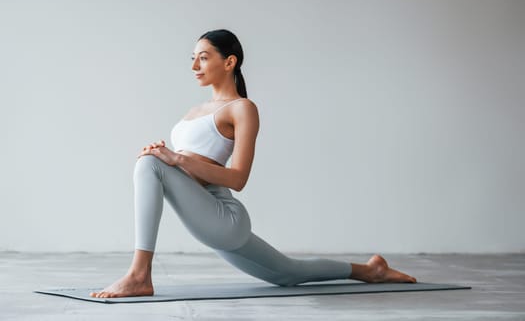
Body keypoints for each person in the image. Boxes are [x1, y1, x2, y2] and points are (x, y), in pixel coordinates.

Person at [90, 29, 416, 298]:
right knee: (289, 272)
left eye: (203, 58)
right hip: (208, 213)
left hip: (225, 217)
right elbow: (190, 170)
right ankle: (370, 270)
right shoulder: (195, 110)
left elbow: (238, 178)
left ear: (229, 61)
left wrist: (174, 159)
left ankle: (139, 275)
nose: (195, 67)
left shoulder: (242, 108)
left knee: (147, 165)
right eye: (193, 59)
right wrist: (171, 158)